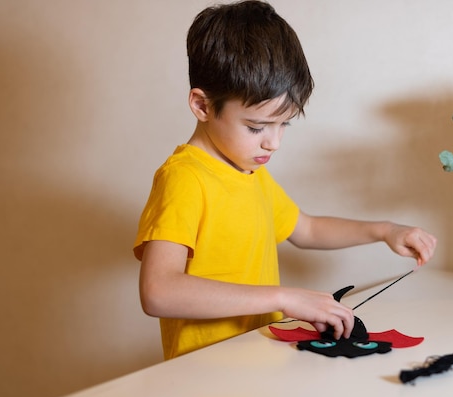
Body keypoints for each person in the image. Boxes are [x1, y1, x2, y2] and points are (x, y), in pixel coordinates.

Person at [133, 0, 437, 360]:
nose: (273, 142)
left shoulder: (249, 171)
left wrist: (385, 230)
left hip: (257, 367)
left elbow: (306, 229)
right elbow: (158, 291)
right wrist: (284, 297)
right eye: (256, 127)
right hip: (205, 378)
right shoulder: (184, 178)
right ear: (202, 106)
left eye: (283, 124)